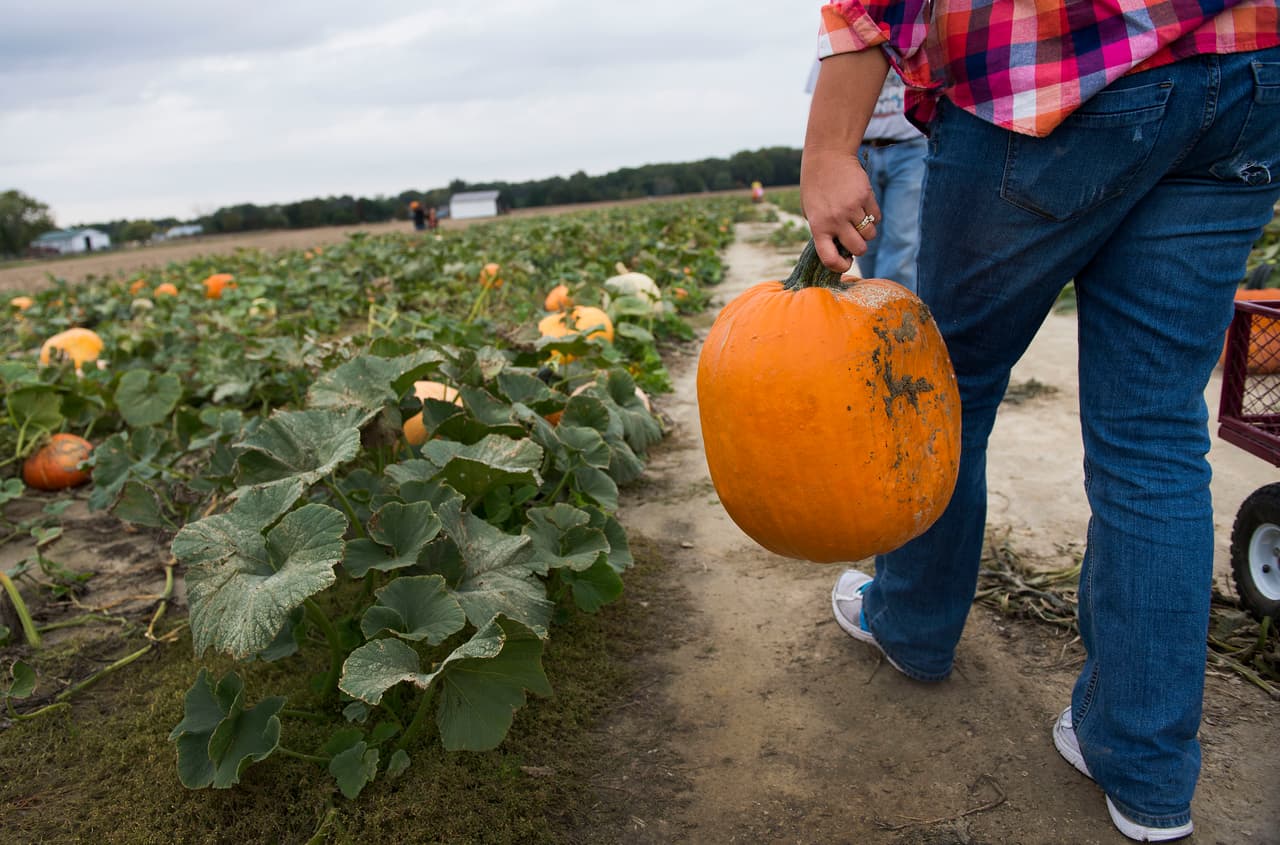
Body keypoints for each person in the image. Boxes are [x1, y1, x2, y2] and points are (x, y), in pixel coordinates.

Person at [801, 1, 1279, 841]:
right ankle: (1143, 769)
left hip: (1053, 74)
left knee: (950, 386)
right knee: (1156, 433)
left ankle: (911, 624)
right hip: (1248, 71)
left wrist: (830, 146)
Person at [855, 72, 926, 291]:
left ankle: (890, 315)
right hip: (861, 149)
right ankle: (876, 297)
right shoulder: (840, 39)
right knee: (865, 239)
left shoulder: (922, 37)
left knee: (901, 238)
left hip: (911, 146)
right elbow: (826, 101)